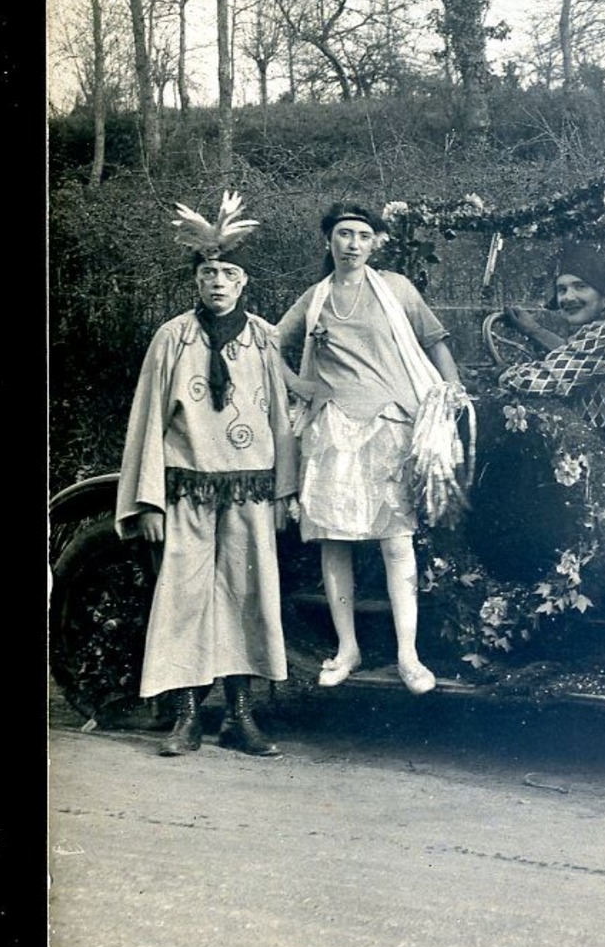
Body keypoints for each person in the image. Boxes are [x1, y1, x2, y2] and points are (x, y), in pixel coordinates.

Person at [116, 192, 297, 757]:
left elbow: (282, 419)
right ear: (196, 282)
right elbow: (147, 421)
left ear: (243, 283)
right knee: (185, 597)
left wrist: (286, 492)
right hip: (186, 488)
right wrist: (147, 502)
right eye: (208, 273)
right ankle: (187, 716)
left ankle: (240, 717)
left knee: (247, 594)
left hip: (250, 487)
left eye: (228, 273)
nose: (217, 282)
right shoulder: (173, 338)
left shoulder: (266, 338)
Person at [277, 202, 461, 695]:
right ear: (328, 241)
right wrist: (299, 385)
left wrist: (454, 390)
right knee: (335, 541)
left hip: (392, 425)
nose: (352, 244)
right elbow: (268, 343)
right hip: (332, 430)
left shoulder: (396, 288)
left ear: (375, 242)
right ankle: (347, 649)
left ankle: (408, 655)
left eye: (362, 235)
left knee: (396, 540)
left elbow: (435, 340)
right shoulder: (316, 299)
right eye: (343, 234)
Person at [499, 243, 605, 429]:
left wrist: (502, 374)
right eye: (562, 290)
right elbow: (574, 354)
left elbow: (536, 381)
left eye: (580, 286)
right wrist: (534, 330)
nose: (568, 297)